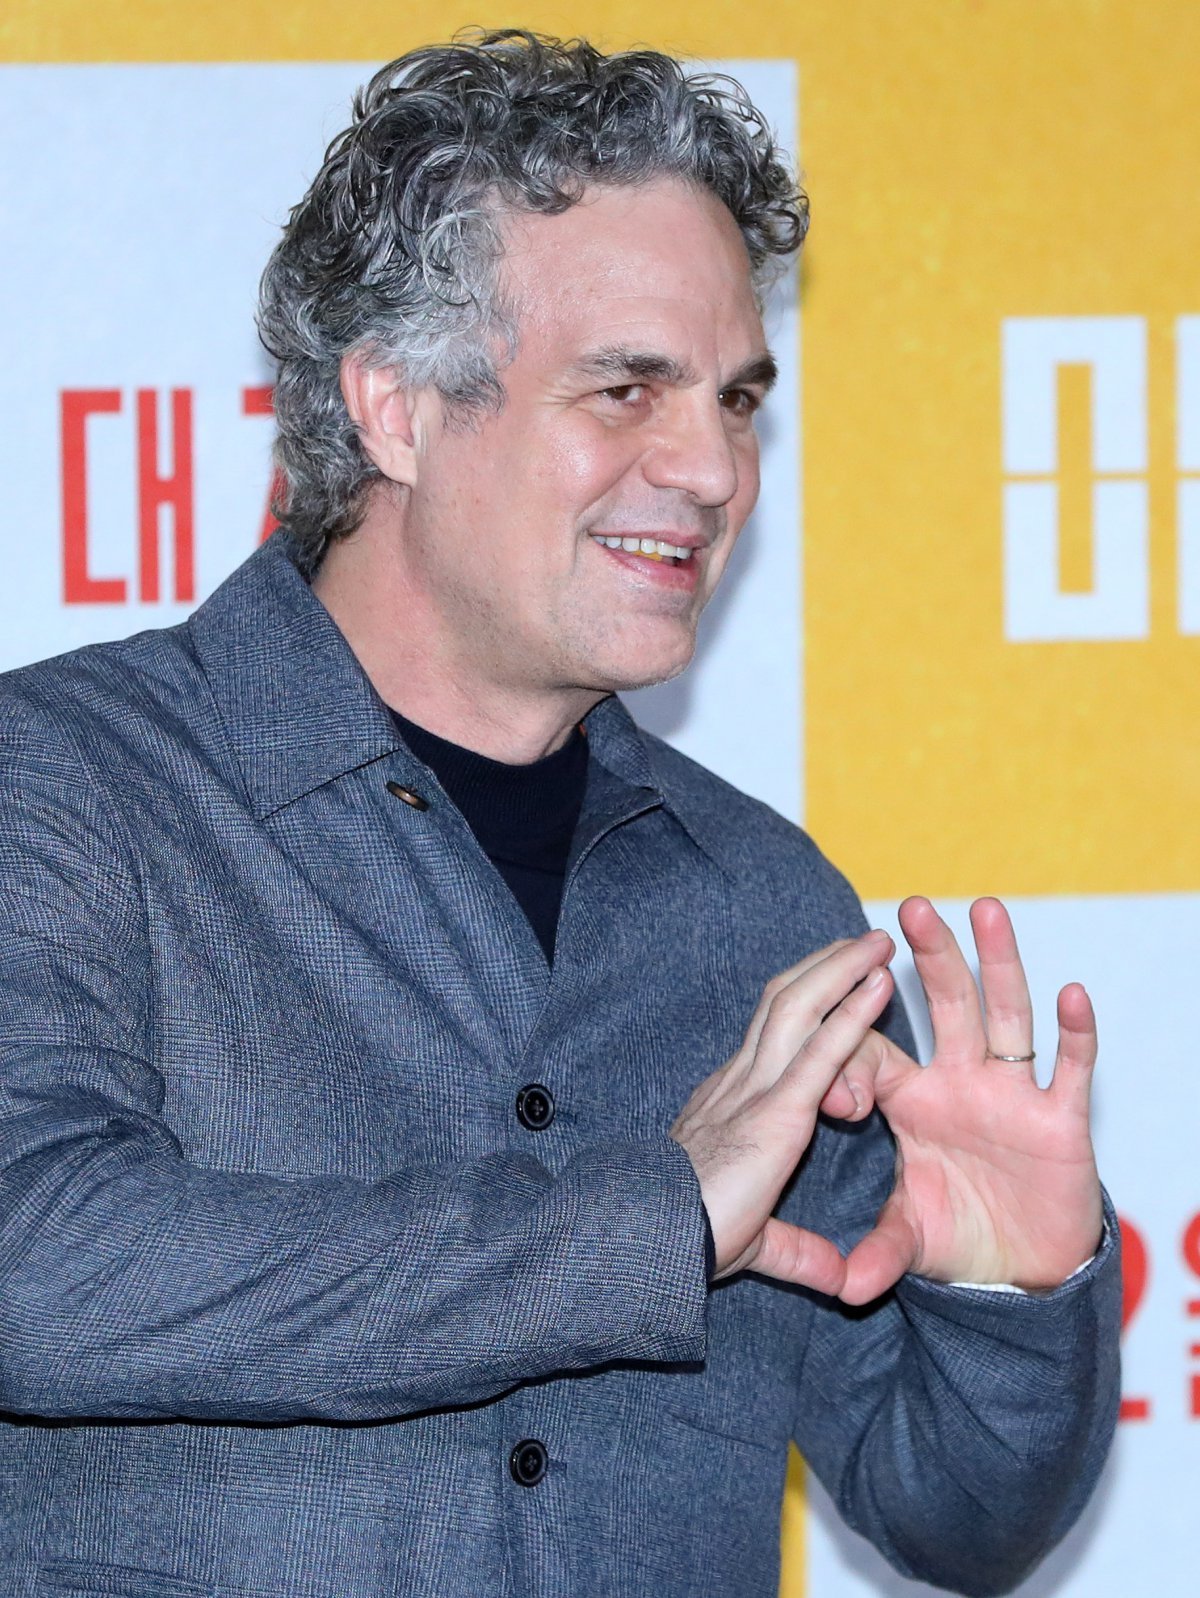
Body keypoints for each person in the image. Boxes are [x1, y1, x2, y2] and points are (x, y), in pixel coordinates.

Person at [0, 30, 1119, 1598]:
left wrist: (1017, 1281)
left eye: (736, 400)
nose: (712, 467)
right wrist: (643, 1226)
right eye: (627, 388)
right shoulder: (63, 782)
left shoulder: (763, 902)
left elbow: (959, 1516)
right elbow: (34, 1263)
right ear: (393, 407)